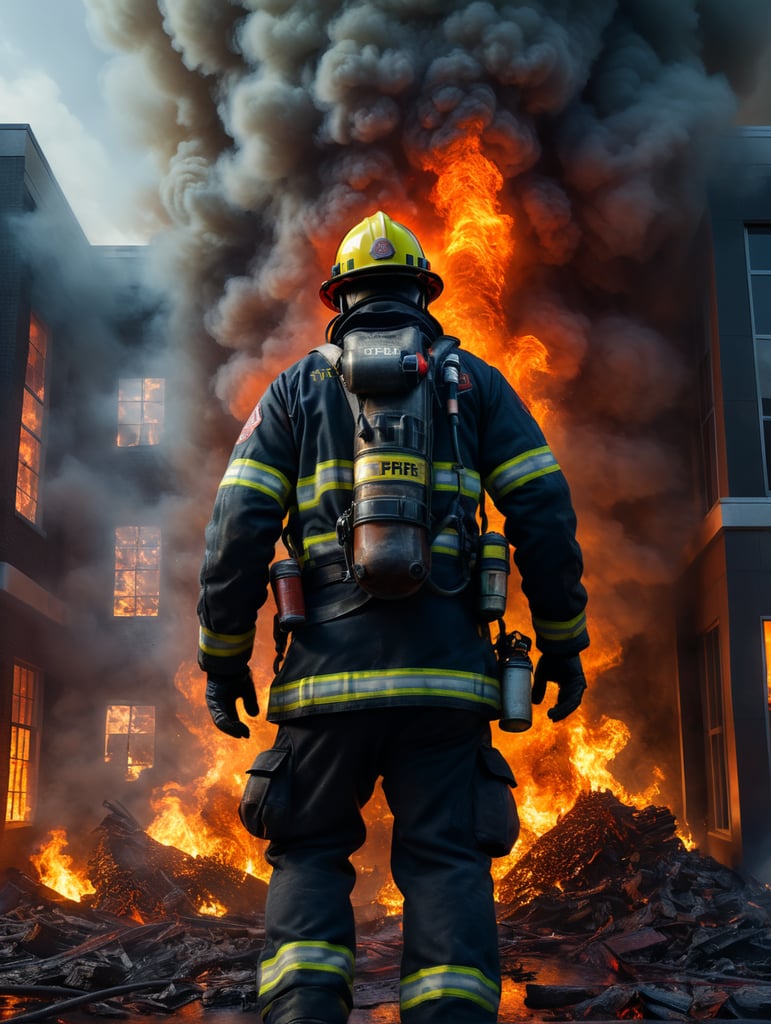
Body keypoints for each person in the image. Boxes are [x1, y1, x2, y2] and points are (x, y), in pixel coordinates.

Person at [198, 211, 589, 1024]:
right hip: (445, 687)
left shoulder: (295, 388)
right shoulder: (471, 383)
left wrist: (224, 657)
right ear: (421, 292)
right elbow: (542, 510)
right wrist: (560, 641)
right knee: (447, 861)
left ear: (338, 297)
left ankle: (305, 1011)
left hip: (322, 690)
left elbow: (237, 529)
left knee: (308, 852)